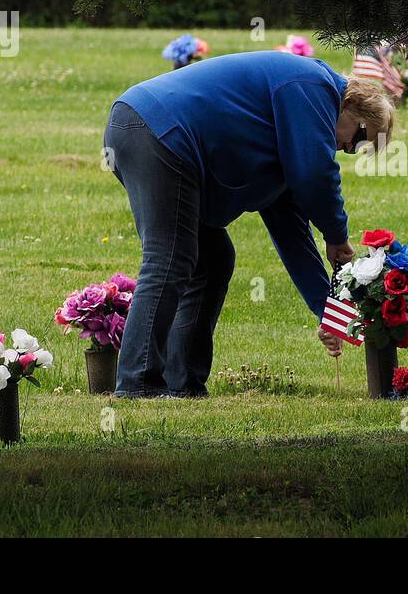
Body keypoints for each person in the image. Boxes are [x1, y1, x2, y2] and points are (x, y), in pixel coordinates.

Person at [104, 50, 393, 397]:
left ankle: (183, 384)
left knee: (212, 259)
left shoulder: (289, 144)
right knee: (170, 256)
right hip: (156, 129)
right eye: (359, 138)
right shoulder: (313, 86)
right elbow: (315, 173)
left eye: (357, 149)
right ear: (352, 105)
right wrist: (336, 235)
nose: (348, 149)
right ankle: (137, 383)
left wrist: (327, 311)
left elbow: (293, 238)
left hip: (148, 130)